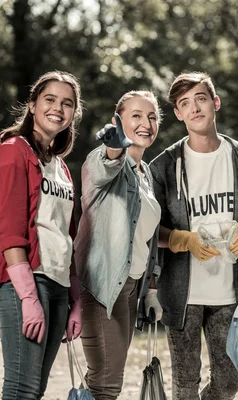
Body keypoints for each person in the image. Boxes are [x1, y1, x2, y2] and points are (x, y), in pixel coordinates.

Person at [149, 71, 238, 400]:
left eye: (200, 99)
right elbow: (147, 226)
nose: (194, 108)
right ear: (178, 114)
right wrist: (180, 239)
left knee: (230, 380)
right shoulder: (164, 165)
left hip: (230, 292)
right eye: (184, 103)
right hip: (182, 293)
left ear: (215, 103)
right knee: (185, 383)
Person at [0, 71, 83, 399]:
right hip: (22, 282)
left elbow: (65, 233)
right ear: (32, 106)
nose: (58, 108)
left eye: (67, 103)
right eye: (50, 100)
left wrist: (75, 298)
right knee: (21, 388)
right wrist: (28, 297)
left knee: (35, 389)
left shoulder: (61, 166)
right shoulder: (13, 151)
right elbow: (9, 231)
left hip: (57, 284)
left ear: (73, 114)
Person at [73, 91, 164, 400]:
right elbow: (105, 166)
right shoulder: (104, 159)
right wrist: (113, 148)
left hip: (131, 290)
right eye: (136, 115)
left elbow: (145, 239)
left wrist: (150, 288)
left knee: (105, 378)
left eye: (152, 117)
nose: (146, 123)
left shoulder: (146, 174)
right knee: (107, 383)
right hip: (103, 287)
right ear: (118, 120)